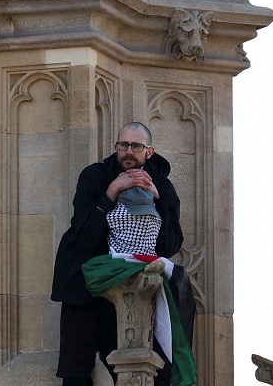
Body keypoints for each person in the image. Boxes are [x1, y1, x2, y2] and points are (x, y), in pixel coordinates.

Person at [52, 123, 187, 386]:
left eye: (136, 146)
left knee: (137, 366)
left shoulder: (162, 186)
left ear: (149, 151)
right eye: (123, 145)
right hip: (84, 286)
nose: (128, 151)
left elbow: (169, 246)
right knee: (76, 371)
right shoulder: (96, 176)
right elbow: (86, 237)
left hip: (133, 290)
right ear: (116, 147)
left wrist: (158, 199)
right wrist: (111, 192)